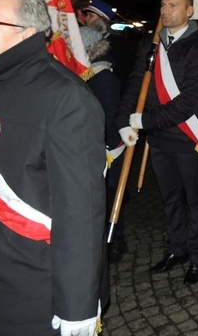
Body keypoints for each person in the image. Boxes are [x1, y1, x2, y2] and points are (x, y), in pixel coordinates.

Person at [0, 0, 109, 335]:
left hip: (36, 281)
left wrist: (77, 305)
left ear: (26, 33)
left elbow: (80, 211)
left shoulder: (65, 98)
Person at [115, 0, 198, 285]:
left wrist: (146, 120)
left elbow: (190, 101)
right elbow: (135, 83)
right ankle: (177, 249)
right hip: (158, 139)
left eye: (173, 5)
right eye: (163, 4)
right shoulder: (151, 43)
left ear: (189, 11)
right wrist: (123, 121)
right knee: (170, 200)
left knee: (196, 201)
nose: (165, 10)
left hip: (187, 140)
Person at [79, 25, 128, 262]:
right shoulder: (86, 75)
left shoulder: (104, 77)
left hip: (108, 152)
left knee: (109, 201)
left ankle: (114, 242)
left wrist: (106, 149)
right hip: (93, 149)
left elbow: (110, 117)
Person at [81, 0, 132, 93]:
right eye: (87, 15)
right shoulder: (88, 39)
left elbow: (123, 73)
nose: (86, 19)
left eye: (91, 16)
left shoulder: (116, 42)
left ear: (101, 20)